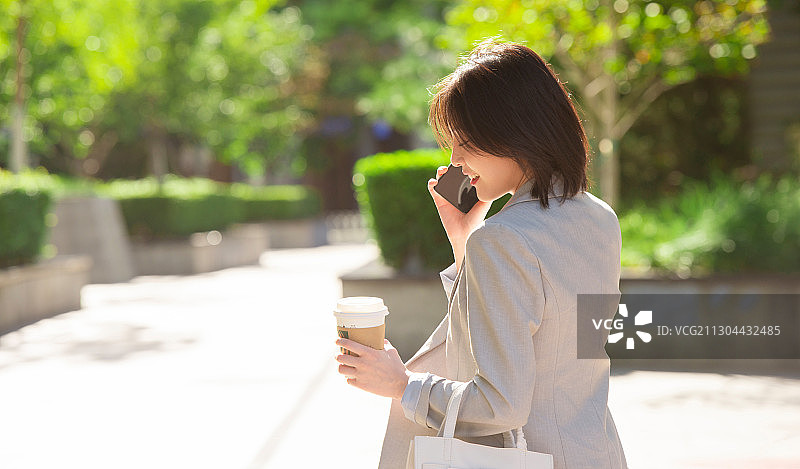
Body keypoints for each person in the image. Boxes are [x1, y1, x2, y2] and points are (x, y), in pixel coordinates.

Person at [335, 40, 627, 469]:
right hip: (594, 451)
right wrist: (465, 239)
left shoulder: (504, 240)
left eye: (467, 142)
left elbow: (500, 404)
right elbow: (558, 344)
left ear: (516, 133)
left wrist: (402, 385)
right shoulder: (598, 217)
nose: (456, 160)